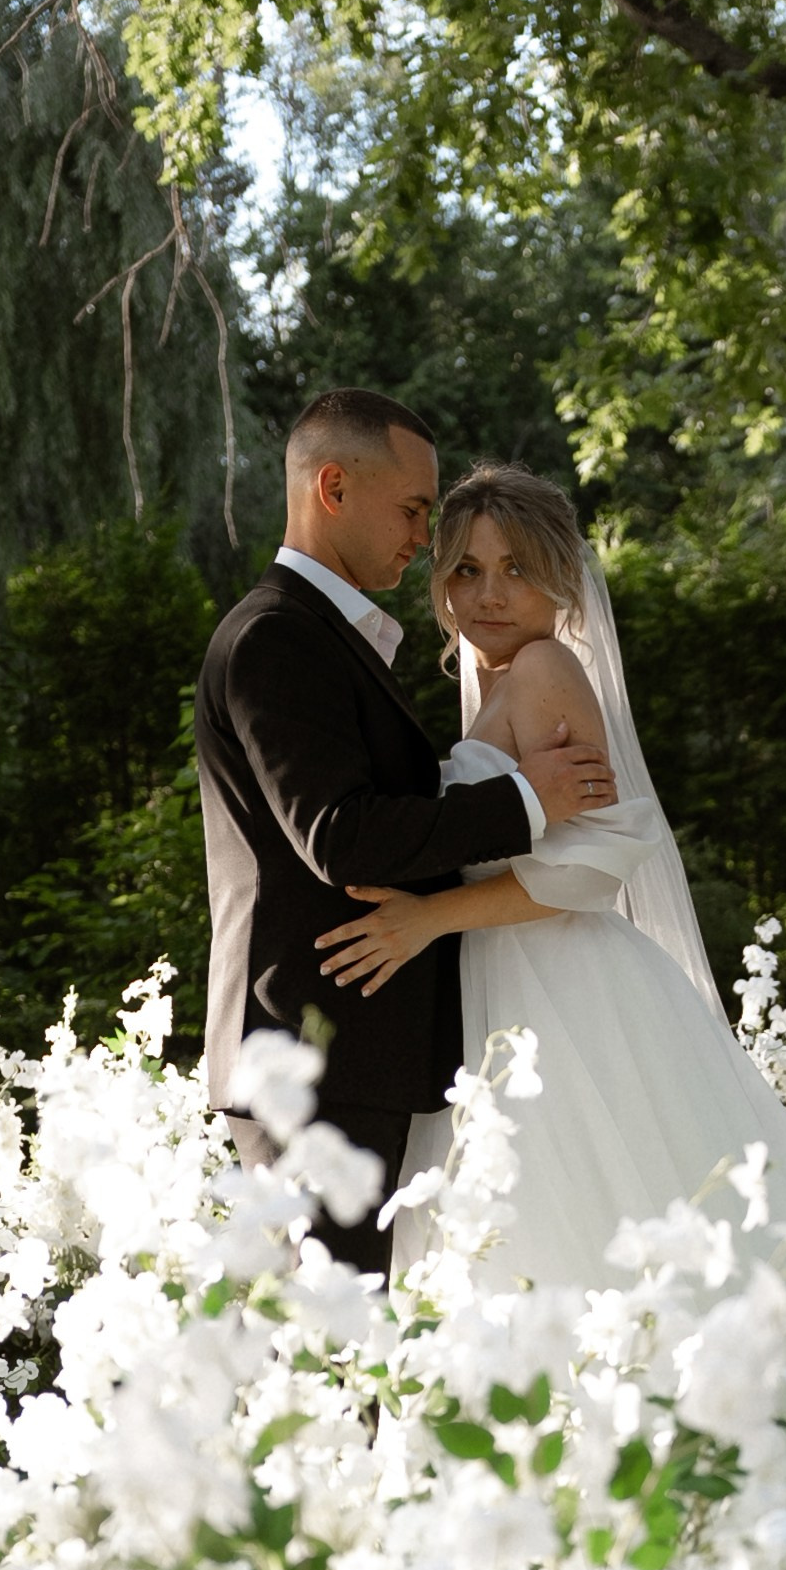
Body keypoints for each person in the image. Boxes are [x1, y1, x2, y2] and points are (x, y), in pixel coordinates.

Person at [314, 462, 786, 1570]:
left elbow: (603, 857)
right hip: (510, 998)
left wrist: (427, 921)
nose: (486, 591)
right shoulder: (493, 679)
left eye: (516, 567)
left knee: (591, 1271)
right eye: (463, 567)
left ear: (566, 578)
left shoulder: (550, 672)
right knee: (540, 1280)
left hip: (567, 999)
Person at [195, 388, 619, 1275]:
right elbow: (340, 837)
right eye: (416, 509)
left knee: (346, 1362)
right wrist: (528, 799)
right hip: (313, 1060)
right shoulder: (278, 636)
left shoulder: (328, 638)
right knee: (323, 1364)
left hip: (356, 1061)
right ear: (335, 487)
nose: (427, 538)